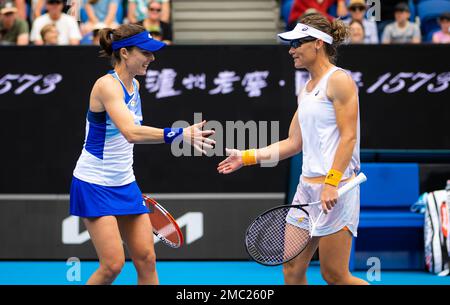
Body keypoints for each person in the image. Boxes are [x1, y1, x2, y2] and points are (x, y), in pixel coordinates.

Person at [218, 13, 367, 285]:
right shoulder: (307, 88)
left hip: (336, 188)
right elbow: (293, 143)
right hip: (306, 191)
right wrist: (247, 156)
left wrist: (331, 183)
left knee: (334, 275)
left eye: (297, 43)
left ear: (318, 44)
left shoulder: (339, 81)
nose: (291, 50)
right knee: (292, 270)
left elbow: (348, 138)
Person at [69, 23, 215, 285]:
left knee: (147, 258)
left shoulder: (134, 86)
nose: (152, 58)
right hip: (94, 183)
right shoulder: (106, 86)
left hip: (125, 183)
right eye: (146, 52)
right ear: (124, 53)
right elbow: (131, 133)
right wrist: (179, 133)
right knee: (112, 265)